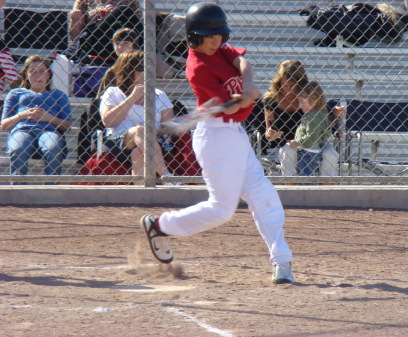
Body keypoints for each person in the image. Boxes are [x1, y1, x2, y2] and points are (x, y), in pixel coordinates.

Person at [140, 2, 295, 285]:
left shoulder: (219, 48)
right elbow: (230, 108)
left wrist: (248, 86)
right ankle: (159, 225)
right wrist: (244, 100)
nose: (215, 42)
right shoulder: (197, 68)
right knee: (222, 209)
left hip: (234, 134)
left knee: (264, 195)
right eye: (208, 38)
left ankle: (282, 261)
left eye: (218, 36)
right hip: (215, 137)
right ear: (193, 37)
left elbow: (242, 62)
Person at [99, 50, 175, 184]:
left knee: (138, 152)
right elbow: (108, 121)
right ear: (128, 70)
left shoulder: (159, 95)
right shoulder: (113, 92)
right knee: (140, 130)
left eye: (150, 67)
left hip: (153, 141)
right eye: (141, 69)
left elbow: (169, 127)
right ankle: (166, 175)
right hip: (120, 141)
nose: (147, 72)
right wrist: (133, 97)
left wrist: (156, 131)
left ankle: (141, 196)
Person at [263, 60, 344, 177]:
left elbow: (323, 120)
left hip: (314, 142)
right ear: (279, 83)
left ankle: (327, 190)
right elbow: (268, 133)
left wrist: (336, 114)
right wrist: (271, 134)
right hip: (287, 144)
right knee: (289, 152)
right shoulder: (271, 100)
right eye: (285, 85)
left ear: (300, 83)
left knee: (331, 155)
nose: (288, 90)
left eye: (292, 86)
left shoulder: (309, 96)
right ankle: (291, 189)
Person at [1, 55, 72, 184]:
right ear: (26, 74)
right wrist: (23, 115)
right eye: (32, 71)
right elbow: (4, 125)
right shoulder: (16, 93)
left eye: (42, 71)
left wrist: (49, 118)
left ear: (48, 75)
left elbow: (67, 126)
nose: (37, 75)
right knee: (18, 149)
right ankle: (19, 189)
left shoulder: (58, 95)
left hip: (49, 130)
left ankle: (50, 189)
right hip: (22, 129)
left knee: (53, 148)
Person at [67, 1, 183, 77]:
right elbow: (74, 36)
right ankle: (155, 59)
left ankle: (153, 58)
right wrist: (77, 20)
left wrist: (115, 15)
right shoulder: (85, 1)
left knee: (122, 15)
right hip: (95, 41)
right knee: (123, 10)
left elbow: (138, 26)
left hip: (122, 40)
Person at [97, 28, 183, 99]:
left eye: (126, 43)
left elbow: (166, 71)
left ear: (134, 44)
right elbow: (101, 97)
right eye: (117, 44)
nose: (120, 47)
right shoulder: (112, 71)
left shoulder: (145, 60)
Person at [288, 81, 331, 179]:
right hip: (312, 152)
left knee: (306, 178)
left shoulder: (313, 118)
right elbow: (325, 134)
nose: (299, 105)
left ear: (314, 100)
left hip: (307, 154)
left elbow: (311, 137)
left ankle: (306, 193)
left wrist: (297, 143)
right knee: (308, 176)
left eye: (302, 102)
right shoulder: (319, 114)